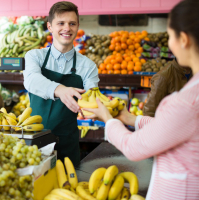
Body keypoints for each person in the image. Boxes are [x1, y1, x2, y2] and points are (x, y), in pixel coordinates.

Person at [83, 0, 199, 199]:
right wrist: (131, 119)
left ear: (184, 39)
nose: (170, 43)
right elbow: (173, 127)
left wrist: (108, 120)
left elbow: (134, 148)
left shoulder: (184, 101)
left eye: (170, 35)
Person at [23, 1, 99, 166]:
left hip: (67, 145)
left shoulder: (87, 66)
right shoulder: (35, 56)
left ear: (78, 26)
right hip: (33, 142)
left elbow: (93, 97)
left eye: (72, 23)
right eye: (61, 23)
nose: (67, 28)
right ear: (50, 27)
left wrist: (95, 108)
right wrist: (60, 90)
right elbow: (31, 80)